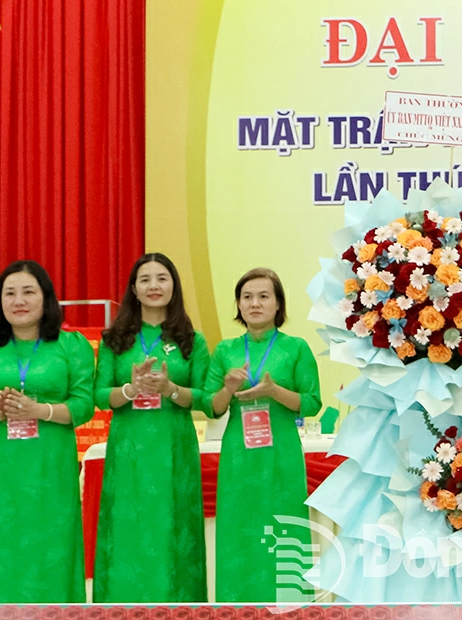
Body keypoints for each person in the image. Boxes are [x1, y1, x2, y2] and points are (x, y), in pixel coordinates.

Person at [0, 260, 95, 603]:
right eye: (9, 293)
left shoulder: (71, 345)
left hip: (50, 468)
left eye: (28, 292)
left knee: (52, 542)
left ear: (46, 298)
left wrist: (38, 411)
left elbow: (83, 405)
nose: (19, 300)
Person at [92, 253, 210, 602]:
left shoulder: (192, 339)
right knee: (129, 525)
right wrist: (131, 390)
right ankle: (122, 603)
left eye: (162, 278)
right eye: (145, 279)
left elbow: (205, 398)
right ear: (134, 289)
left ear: (174, 286)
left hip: (174, 448)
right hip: (129, 449)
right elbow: (99, 395)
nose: (154, 286)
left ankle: (180, 603)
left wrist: (169, 389)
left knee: (174, 525)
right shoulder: (115, 338)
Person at [205, 267, 323, 603]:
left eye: (263, 296)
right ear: (238, 306)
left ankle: (291, 606)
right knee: (238, 533)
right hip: (238, 457)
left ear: (278, 305)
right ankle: (237, 606)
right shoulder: (225, 351)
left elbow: (311, 403)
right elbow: (211, 408)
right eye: (247, 297)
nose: (254, 303)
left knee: (285, 529)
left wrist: (273, 391)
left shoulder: (296, 348)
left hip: (281, 455)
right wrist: (227, 387)